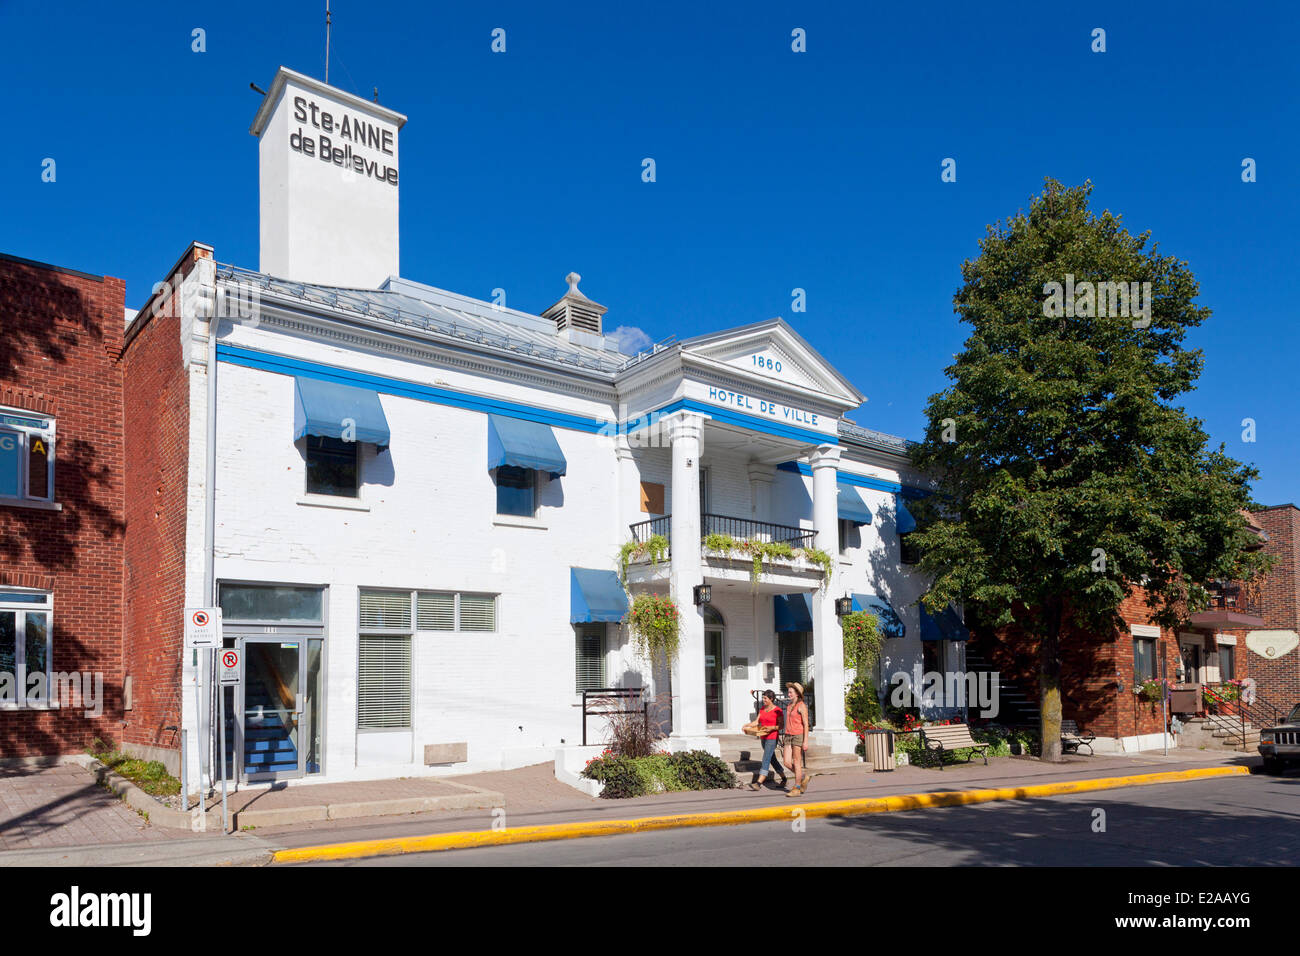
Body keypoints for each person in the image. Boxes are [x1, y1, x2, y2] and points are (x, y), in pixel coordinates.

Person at [748, 690, 787, 791]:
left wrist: (772, 728)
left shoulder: (777, 710)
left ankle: (759, 782)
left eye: (765, 698)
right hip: (763, 736)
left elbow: (781, 725)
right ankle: (784, 778)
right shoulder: (762, 709)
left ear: (771, 699)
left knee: (766, 758)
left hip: (772, 737)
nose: (763, 700)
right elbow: (757, 722)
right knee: (772, 758)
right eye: (763, 698)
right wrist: (746, 726)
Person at [782, 681, 811, 796]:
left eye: (791, 692)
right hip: (788, 735)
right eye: (788, 692)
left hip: (798, 735)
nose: (788, 694)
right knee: (786, 762)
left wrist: (806, 741)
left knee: (796, 761)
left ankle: (797, 788)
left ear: (797, 694)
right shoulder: (789, 705)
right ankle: (803, 777)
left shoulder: (802, 706)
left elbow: (806, 724)